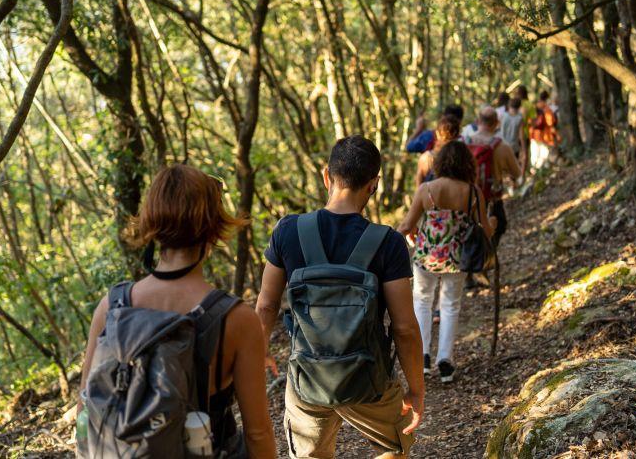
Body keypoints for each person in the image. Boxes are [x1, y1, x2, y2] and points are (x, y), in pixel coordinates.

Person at [78, 165, 277, 458]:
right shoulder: (236, 319)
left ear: (151, 223)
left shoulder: (111, 306)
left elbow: (86, 409)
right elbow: (258, 432)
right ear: (213, 229)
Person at [256, 136, 424, 459]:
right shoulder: (388, 243)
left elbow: (265, 305)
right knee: (393, 446)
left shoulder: (288, 232)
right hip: (369, 381)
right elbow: (404, 328)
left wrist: (260, 351)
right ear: (374, 185)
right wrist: (416, 390)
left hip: (308, 380)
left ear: (325, 176)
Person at [398, 141, 494, 384]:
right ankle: (446, 361)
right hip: (458, 257)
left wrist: (406, 236)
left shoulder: (426, 189)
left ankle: (423, 357)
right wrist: (493, 222)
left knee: (422, 301)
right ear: (467, 164)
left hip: (426, 255)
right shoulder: (473, 192)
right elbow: (486, 230)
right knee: (450, 304)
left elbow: (407, 226)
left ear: (440, 163)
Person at [463, 107, 522, 250]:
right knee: (498, 226)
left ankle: (470, 264)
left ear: (478, 121)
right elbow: (517, 173)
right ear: (497, 123)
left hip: (466, 199)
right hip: (492, 200)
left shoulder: (464, 143)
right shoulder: (502, 147)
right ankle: (486, 259)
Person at [415, 114, 461, 186]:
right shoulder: (462, 158)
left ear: (437, 133)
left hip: (430, 195)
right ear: (457, 134)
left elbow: (419, 186)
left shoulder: (426, 158)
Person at [529, 91, 560, 171]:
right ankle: (543, 171)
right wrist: (556, 135)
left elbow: (530, 121)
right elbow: (550, 123)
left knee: (535, 154)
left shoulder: (533, 107)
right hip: (544, 135)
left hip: (533, 134)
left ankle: (535, 171)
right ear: (547, 98)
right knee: (544, 154)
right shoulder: (547, 109)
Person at [500, 97, 525, 161]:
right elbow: (521, 136)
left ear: (509, 105)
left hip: (502, 146)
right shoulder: (520, 118)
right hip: (514, 148)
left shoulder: (503, 116)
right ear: (519, 107)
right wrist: (524, 150)